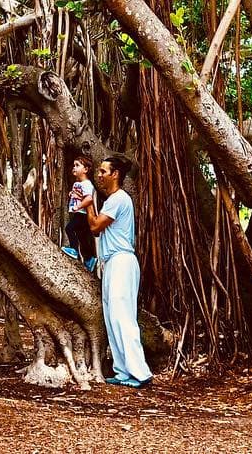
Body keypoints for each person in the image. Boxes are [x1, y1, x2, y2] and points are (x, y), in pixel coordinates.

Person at [86, 156, 152, 388]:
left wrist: (88, 206)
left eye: (104, 171)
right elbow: (97, 232)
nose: (100, 175)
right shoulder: (112, 200)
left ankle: (140, 373)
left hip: (122, 262)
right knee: (112, 318)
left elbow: (94, 226)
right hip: (112, 263)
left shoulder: (118, 199)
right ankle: (123, 371)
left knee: (123, 317)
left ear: (115, 174)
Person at [62, 157, 98, 272]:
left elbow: (89, 199)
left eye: (77, 165)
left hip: (82, 214)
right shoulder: (79, 183)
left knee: (69, 228)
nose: (74, 168)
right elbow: (82, 196)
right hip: (79, 213)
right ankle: (89, 259)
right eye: (74, 165)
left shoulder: (87, 184)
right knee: (82, 238)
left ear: (86, 169)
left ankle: (74, 250)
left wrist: (78, 206)